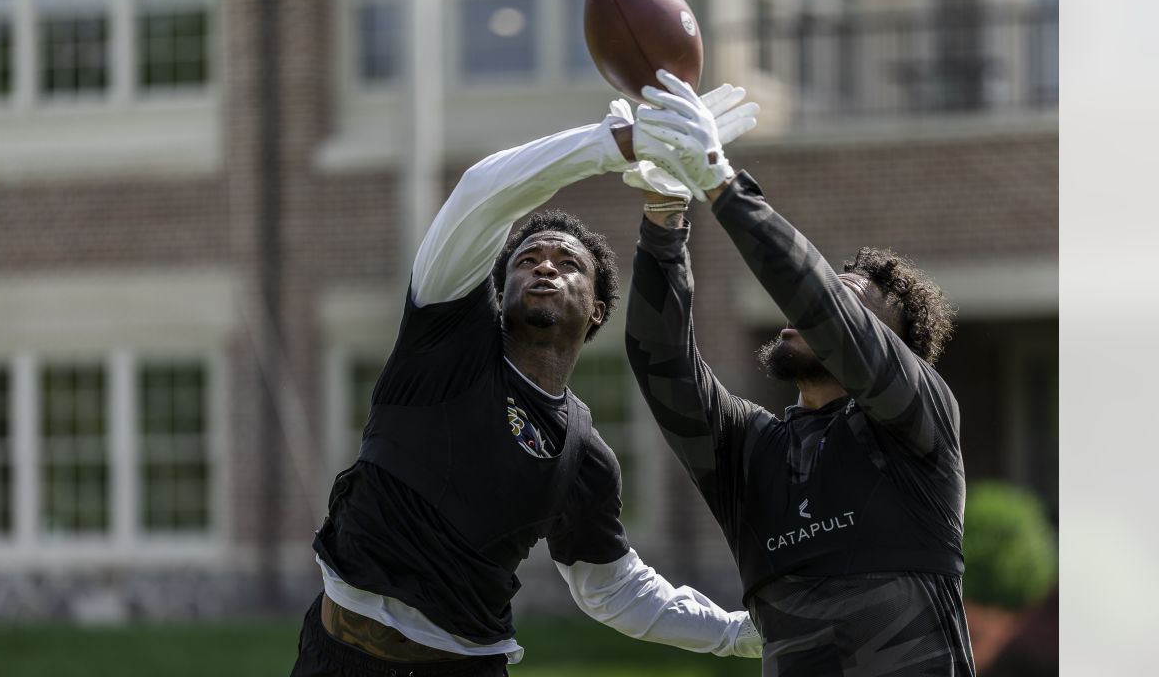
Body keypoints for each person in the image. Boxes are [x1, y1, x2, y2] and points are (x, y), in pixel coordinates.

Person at [290, 99, 762, 677]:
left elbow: (614, 590)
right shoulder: (443, 338)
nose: (543, 267)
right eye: (526, 259)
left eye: (567, 263)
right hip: (336, 656)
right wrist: (612, 143)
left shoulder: (583, 455)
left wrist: (739, 635)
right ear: (499, 285)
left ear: (596, 310)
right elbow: (482, 192)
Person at [622, 70, 976, 675]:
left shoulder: (918, 424)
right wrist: (664, 215)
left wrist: (723, 182)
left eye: (848, 299)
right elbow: (661, 360)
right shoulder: (748, 451)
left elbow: (822, 306)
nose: (802, 309)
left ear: (888, 347)